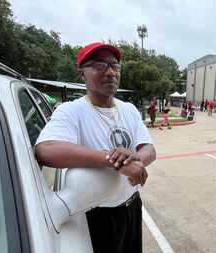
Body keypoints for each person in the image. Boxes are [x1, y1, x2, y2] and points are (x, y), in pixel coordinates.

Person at [35, 42, 156, 253]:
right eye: (99, 65)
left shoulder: (129, 110)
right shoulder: (71, 111)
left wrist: (135, 158)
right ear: (82, 74)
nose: (110, 72)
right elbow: (46, 149)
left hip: (132, 206)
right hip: (97, 215)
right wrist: (115, 160)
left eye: (115, 66)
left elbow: (149, 150)